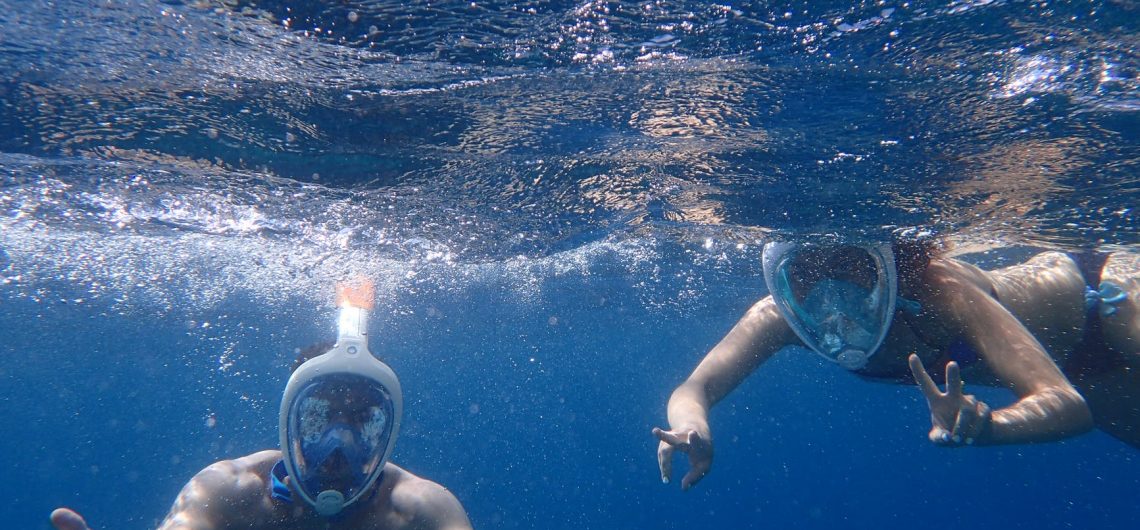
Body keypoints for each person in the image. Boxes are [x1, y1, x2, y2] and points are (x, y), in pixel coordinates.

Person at [653, 234, 1138, 490]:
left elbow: (1062, 403)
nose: (831, 299)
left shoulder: (945, 293)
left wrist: (990, 426)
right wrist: (694, 428)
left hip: (1110, 302)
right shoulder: (779, 317)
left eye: (847, 267)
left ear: (886, 265)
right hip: (1086, 371)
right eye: (807, 276)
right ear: (784, 280)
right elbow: (694, 389)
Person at [51, 280, 474, 529]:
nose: (338, 444)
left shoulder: (421, 511)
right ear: (289, 420)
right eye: (318, 418)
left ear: (388, 432)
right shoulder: (227, 492)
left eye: (364, 421)